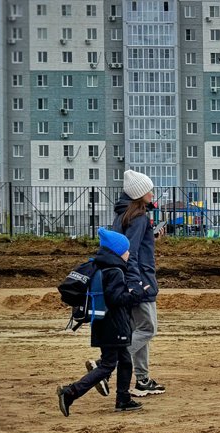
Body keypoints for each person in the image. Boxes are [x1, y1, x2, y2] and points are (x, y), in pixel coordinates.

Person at [56, 227, 147, 416]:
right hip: (114, 324)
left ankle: (123, 399)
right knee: (108, 364)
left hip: (104, 323)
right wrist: (136, 294)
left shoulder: (102, 266)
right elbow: (116, 299)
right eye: (126, 250)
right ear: (118, 251)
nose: (129, 253)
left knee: (124, 361)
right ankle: (71, 392)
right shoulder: (115, 271)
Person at [93, 170, 166, 398]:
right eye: (148, 190)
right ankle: (106, 363)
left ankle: (142, 379)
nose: (152, 193)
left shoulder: (125, 215)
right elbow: (130, 252)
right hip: (139, 280)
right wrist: (136, 284)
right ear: (139, 194)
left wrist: (151, 239)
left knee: (137, 329)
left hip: (129, 278)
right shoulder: (139, 217)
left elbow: (128, 247)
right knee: (148, 328)